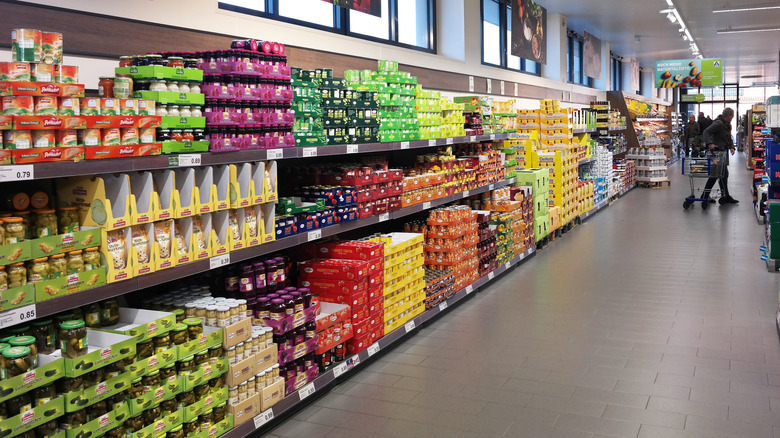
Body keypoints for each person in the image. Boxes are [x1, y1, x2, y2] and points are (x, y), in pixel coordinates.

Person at [701, 107, 738, 206]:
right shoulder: (719, 123)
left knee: (723, 174)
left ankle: (724, 195)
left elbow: (728, 137)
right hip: (716, 153)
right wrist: (709, 143)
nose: (733, 117)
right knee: (716, 175)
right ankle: (706, 196)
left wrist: (731, 147)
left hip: (722, 153)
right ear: (728, 115)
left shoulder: (727, 124)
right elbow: (706, 132)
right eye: (732, 115)